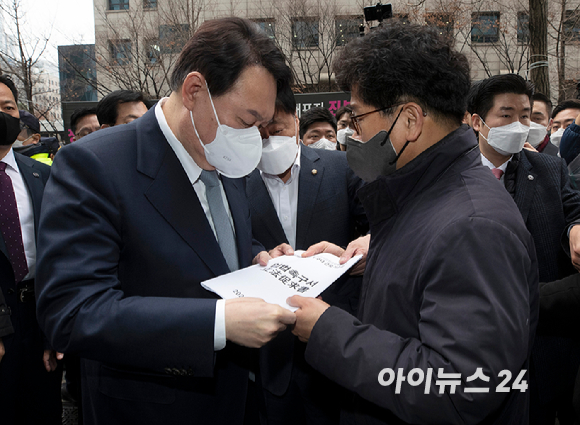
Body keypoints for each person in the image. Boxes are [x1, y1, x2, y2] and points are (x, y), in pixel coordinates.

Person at [35, 17, 295, 425]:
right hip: (154, 406)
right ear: (195, 91)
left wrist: (261, 257)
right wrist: (218, 322)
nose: (254, 139)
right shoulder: (95, 164)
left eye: (261, 126)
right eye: (246, 122)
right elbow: (72, 310)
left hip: (242, 401)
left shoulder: (225, 156)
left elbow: (212, 245)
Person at [288, 22, 538, 425]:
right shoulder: (424, 197)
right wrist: (372, 259)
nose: (353, 132)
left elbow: (462, 388)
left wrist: (329, 332)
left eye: (358, 117)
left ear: (409, 121)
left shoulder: (473, 227)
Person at [247, 84, 368, 425]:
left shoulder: (343, 167)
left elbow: (380, 227)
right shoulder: (234, 179)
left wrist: (355, 252)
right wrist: (258, 254)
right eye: (258, 133)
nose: (268, 140)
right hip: (270, 351)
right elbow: (234, 241)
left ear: (296, 122)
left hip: (338, 335)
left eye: (277, 130)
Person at [470, 73, 580, 425]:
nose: (519, 125)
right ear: (477, 121)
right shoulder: (449, 178)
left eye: (526, 116)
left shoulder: (550, 168)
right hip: (476, 341)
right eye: (506, 115)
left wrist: (577, 227)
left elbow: (573, 208)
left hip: (545, 343)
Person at [0, 75, 62, 425]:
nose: (3, 115)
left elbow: (60, 254)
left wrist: (55, 329)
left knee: (42, 410)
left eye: (8, 107)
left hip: (38, 317)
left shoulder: (44, 175)